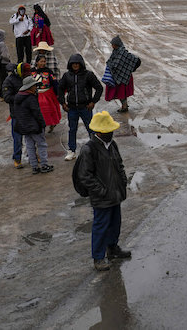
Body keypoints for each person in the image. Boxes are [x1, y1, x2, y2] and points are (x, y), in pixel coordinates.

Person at [75, 110, 131, 271]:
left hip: (116, 194)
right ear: (98, 132)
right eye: (107, 131)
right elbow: (85, 176)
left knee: (115, 223)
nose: (110, 133)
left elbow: (119, 165)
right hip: (102, 197)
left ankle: (112, 248)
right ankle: (98, 257)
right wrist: (101, 191)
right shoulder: (89, 149)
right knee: (101, 226)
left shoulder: (112, 144)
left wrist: (122, 181)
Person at [58, 54, 103, 161]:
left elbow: (99, 88)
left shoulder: (88, 75)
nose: (75, 65)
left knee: (91, 129)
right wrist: (63, 103)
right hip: (72, 108)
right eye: (73, 64)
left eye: (77, 63)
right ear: (70, 64)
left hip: (85, 107)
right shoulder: (66, 76)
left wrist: (93, 101)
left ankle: (95, 150)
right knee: (72, 130)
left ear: (81, 64)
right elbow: (60, 89)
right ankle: (72, 151)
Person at [14, 76, 54, 174]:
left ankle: (34, 167)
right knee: (41, 145)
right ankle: (44, 165)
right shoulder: (30, 98)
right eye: (34, 85)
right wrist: (42, 124)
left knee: (30, 147)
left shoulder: (18, 97)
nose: (36, 87)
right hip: (34, 126)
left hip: (24, 127)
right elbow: (37, 113)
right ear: (30, 87)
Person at [2, 63, 31, 169]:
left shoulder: (27, 78)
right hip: (16, 114)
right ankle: (17, 158)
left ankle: (32, 155)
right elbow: (6, 97)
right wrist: (21, 97)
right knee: (17, 138)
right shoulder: (8, 81)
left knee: (32, 137)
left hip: (28, 112)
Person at [104, 36, 141, 113]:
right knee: (121, 93)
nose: (112, 46)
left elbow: (135, 60)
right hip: (120, 76)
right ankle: (124, 105)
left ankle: (124, 106)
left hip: (123, 77)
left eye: (113, 44)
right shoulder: (116, 51)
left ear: (116, 44)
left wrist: (130, 69)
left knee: (121, 93)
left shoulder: (122, 53)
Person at [33, 54, 61, 133]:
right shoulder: (32, 72)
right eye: (41, 61)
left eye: (44, 61)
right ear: (37, 62)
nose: (43, 63)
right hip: (36, 95)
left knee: (48, 112)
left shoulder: (49, 72)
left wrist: (57, 94)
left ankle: (51, 124)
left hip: (47, 95)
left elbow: (54, 83)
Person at [0, 30, 11, 99]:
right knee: (5, 80)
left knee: (1, 79)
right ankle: (4, 94)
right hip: (4, 63)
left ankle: (2, 94)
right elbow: (4, 55)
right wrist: (9, 60)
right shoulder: (2, 44)